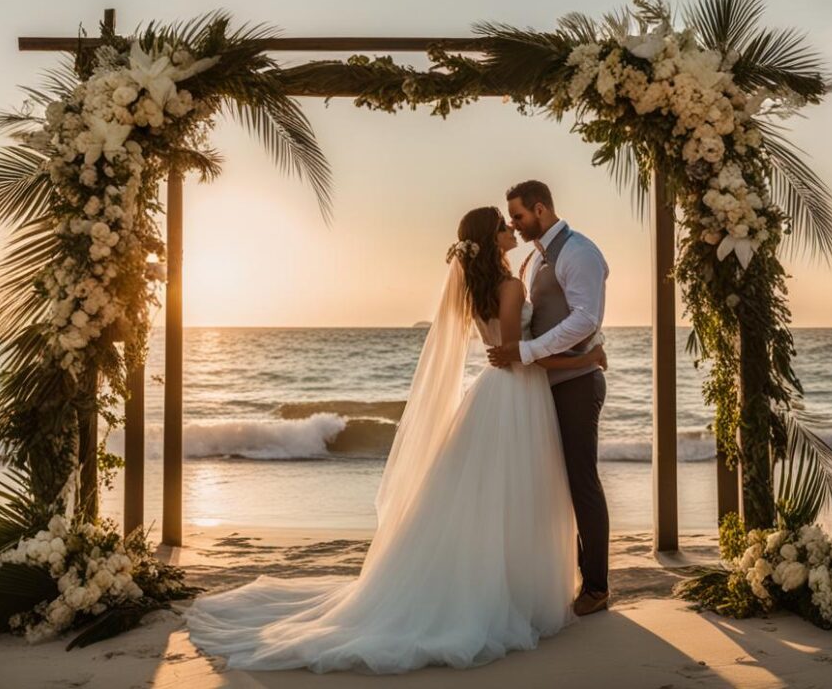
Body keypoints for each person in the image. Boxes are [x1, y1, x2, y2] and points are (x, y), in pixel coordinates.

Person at [182, 205, 607, 673]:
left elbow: (507, 352)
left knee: (495, 496)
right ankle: (511, 591)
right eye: (504, 225)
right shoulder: (510, 286)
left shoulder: (479, 286)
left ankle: (510, 583)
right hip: (513, 395)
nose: (512, 229)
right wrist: (585, 361)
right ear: (491, 239)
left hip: (502, 395)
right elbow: (513, 356)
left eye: (514, 221)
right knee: (511, 494)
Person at [487, 179, 612, 617]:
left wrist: (526, 352)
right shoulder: (534, 261)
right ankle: (566, 572)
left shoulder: (578, 252)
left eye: (518, 216)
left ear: (540, 210)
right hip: (547, 386)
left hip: (576, 383)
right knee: (557, 484)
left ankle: (597, 585)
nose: (514, 225)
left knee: (583, 482)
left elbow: (585, 319)